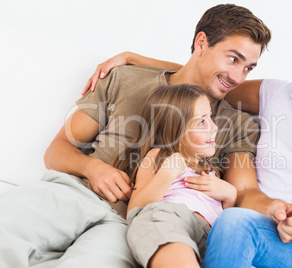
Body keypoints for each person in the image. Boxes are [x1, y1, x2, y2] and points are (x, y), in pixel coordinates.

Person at [0, 4, 271, 267]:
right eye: (233, 59)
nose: (238, 77)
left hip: (132, 227)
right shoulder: (126, 78)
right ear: (201, 43)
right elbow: (56, 150)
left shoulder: (236, 123)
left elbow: (246, 191)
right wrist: (91, 167)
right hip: (76, 194)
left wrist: (282, 211)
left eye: (248, 68)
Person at [89, 40, 292, 267]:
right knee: (233, 221)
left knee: (233, 222)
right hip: (254, 222)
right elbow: (205, 82)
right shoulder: (281, 95)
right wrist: (134, 57)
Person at [114, 84, 236, 267]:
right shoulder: (159, 156)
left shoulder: (209, 168)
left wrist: (230, 194)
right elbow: (137, 208)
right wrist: (166, 174)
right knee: (162, 231)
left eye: (210, 117)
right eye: (202, 121)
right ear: (175, 130)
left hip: (210, 236)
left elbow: (223, 215)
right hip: (172, 219)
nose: (214, 127)